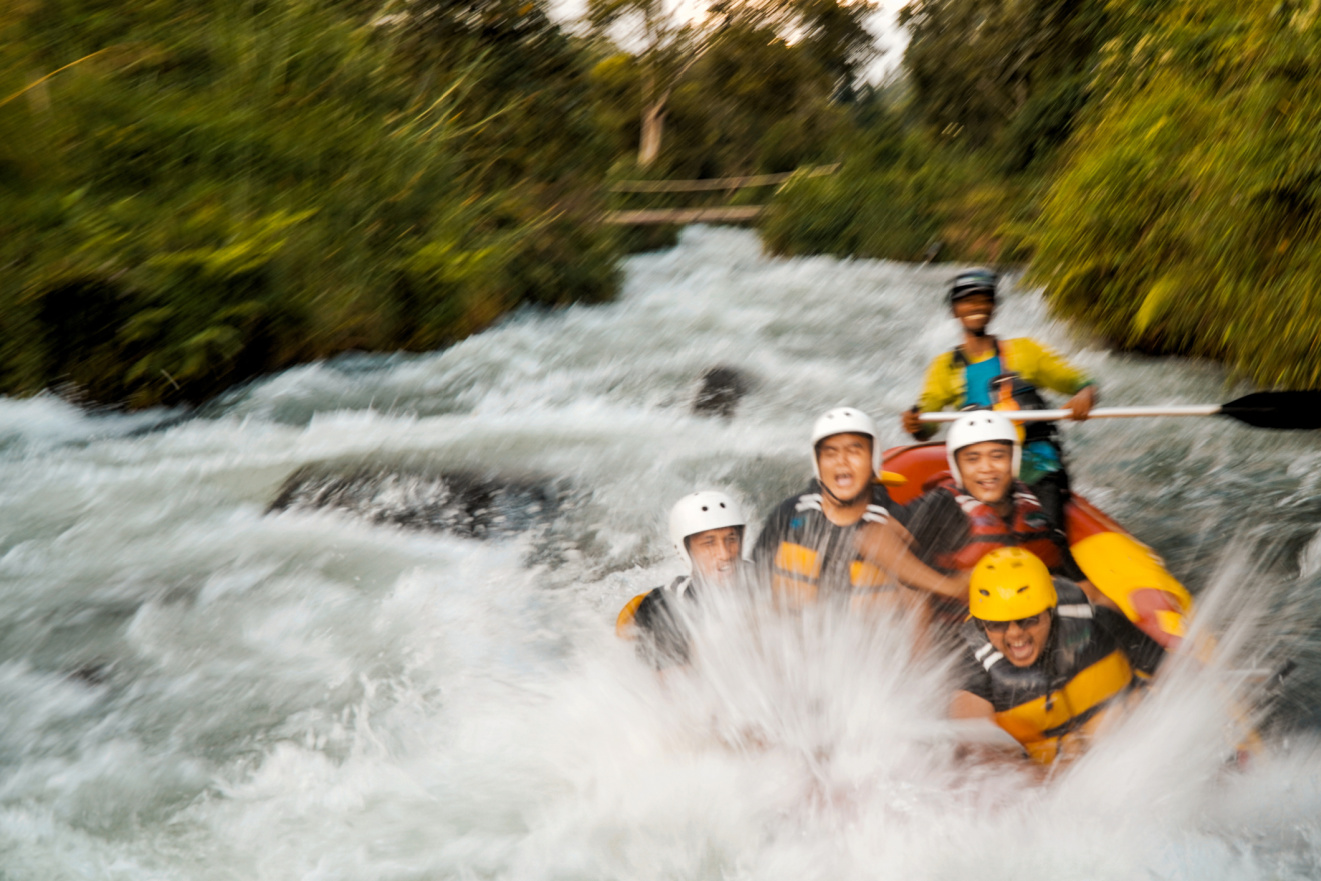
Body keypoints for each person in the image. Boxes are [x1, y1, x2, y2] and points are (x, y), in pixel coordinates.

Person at [900, 268, 1096, 536]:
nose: (976, 307)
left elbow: (1080, 382)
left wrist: (1085, 395)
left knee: (1050, 539)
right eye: (967, 301)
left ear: (993, 307)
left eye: (984, 300)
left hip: (1036, 467)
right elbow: (925, 425)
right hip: (983, 472)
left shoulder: (1025, 351)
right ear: (954, 310)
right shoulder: (944, 367)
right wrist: (915, 423)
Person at [949, 547, 1165, 765]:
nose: (1014, 633)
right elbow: (974, 746)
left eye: (1028, 619)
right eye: (996, 624)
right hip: (1055, 778)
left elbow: (1170, 671)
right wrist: (1040, 780)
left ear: (1050, 611)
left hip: (1142, 751)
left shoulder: (1097, 623)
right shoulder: (975, 665)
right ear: (981, 624)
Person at [752, 407, 964, 607]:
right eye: (830, 453)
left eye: (854, 451)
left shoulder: (896, 525)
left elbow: (919, 605)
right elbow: (752, 583)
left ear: (873, 459)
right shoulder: (788, 514)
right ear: (818, 464)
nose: (842, 462)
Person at [902, 410, 1072, 579]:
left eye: (997, 456)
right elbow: (886, 535)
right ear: (957, 467)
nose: (986, 468)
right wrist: (950, 588)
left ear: (1013, 460)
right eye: (972, 459)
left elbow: (1077, 580)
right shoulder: (942, 505)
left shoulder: (1035, 506)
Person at [616, 490, 748, 668]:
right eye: (709, 543)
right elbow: (669, 681)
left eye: (731, 539)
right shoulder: (666, 606)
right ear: (686, 551)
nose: (725, 554)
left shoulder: (768, 575)